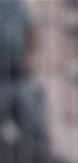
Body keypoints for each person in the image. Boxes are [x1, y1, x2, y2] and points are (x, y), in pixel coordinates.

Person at [0, 0, 49, 147]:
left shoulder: (14, 4)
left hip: (19, 78)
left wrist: (31, 59)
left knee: (36, 129)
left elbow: (32, 32)